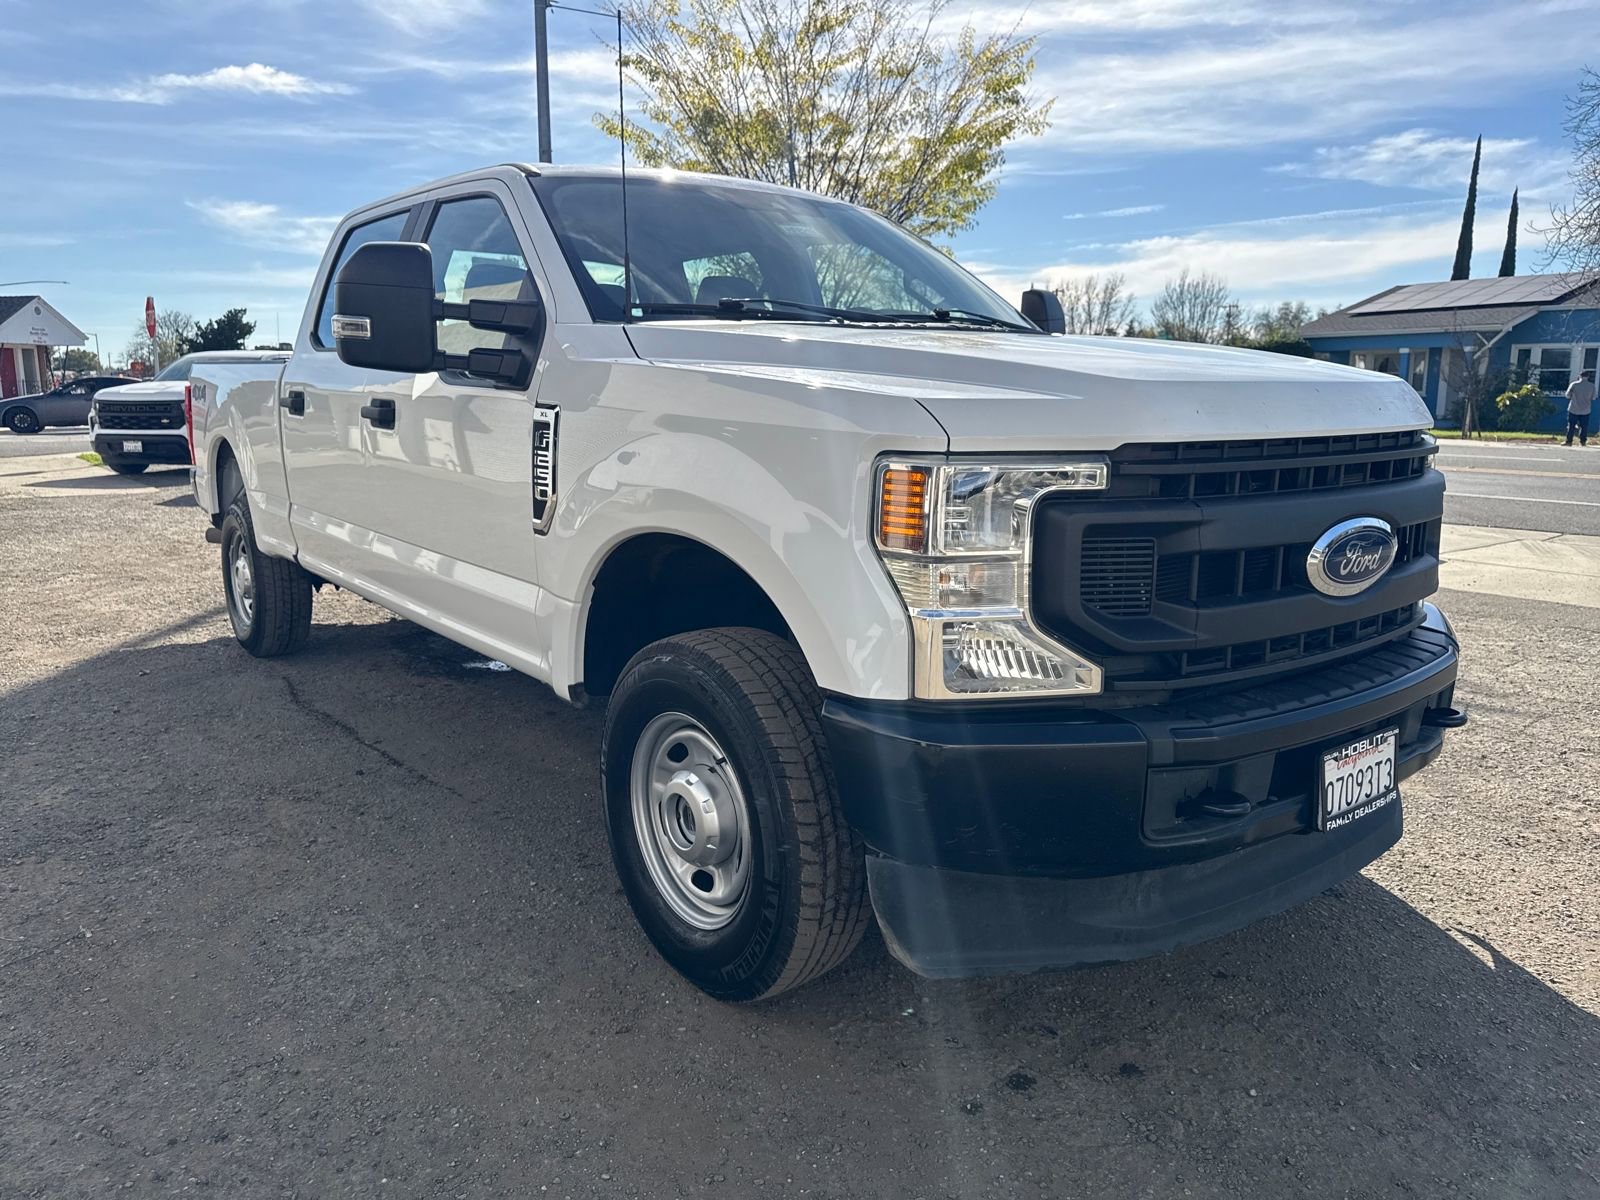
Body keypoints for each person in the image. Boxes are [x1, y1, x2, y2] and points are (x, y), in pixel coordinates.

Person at [1566, 369, 1595, 447]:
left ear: (1580, 376)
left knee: (1571, 425)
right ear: (1588, 377)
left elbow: (1567, 395)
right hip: (1586, 409)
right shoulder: (1592, 386)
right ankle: (1583, 442)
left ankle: (1569, 441)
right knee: (1584, 426)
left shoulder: (1574, 384)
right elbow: (1593, 398)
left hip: (1573, 408)